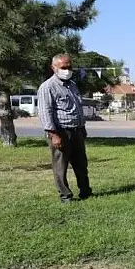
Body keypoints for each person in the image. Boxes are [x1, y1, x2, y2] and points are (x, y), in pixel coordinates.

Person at [37, 53, 92, 203]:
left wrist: (82, 128)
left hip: (77, 130)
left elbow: (78, 109)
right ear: (53, 68)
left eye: (69, 67)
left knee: (81, 163)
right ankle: (65, 196)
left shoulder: (72, 85)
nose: (67, 70)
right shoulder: (47, 87)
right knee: (61, 166)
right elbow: (45, 112)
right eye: (63, 67)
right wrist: (53, 134)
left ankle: (85, 191)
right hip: (60, 131)